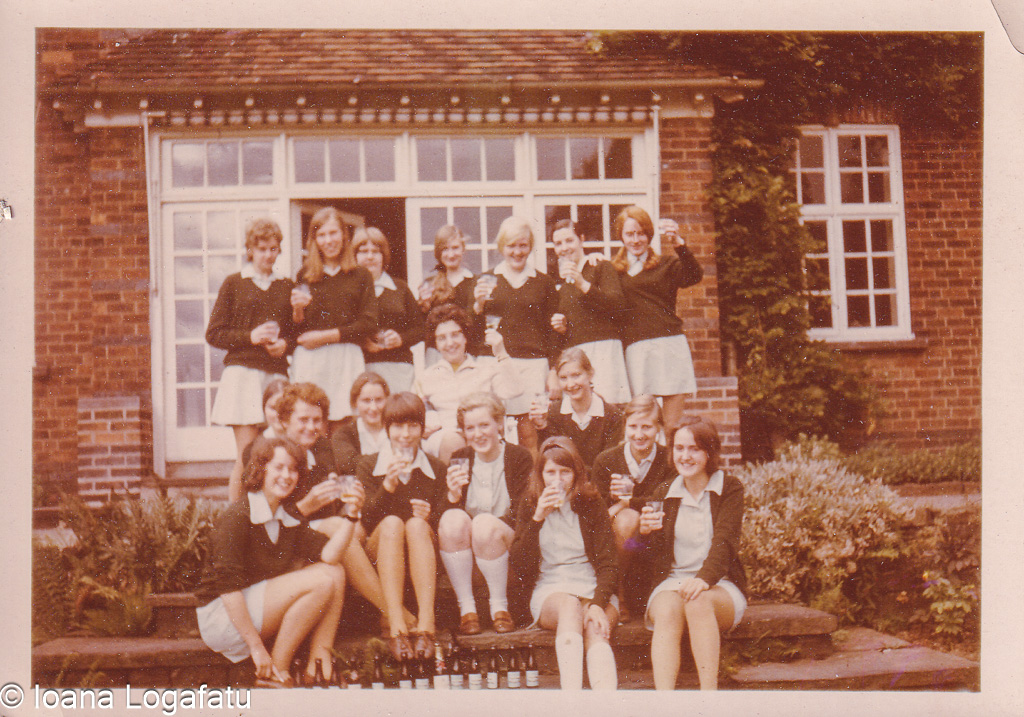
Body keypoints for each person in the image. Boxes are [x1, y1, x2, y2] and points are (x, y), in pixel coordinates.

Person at [195, 436, 362, 687]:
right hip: (223, 618)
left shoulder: (286, 517)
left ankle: (319, 665)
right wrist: (257, 648)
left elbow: (331, 556)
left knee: (334, 571)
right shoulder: (238, 517)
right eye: (279, 467)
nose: (287, 475)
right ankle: (276, 670)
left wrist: (352, 517)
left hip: (253, 608)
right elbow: (228, 591)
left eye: (294, 469)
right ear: (260, 470)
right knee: (322, 581)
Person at [273, 382, 415, 637]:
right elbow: (264, 521)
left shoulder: (322, 447)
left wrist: (352, 506)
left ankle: (390, 617)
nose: (311, 427)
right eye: (303, 419)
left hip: (324, 539)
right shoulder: (269, 454)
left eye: (317, 420)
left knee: (379, 525)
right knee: (340, 528)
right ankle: (395, 614)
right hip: (286, 546)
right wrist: (306, 506)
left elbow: (333, 510)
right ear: (284, 420)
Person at [640, 418, 747, 690]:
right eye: (679, 448)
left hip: (719, 583)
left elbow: (725, 541)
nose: (684, 456)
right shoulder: (664, 492)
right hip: (672, 582)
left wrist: (703, 579)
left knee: (697, 602)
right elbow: (649, 555)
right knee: (666, 611)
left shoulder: (729, 488)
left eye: (694, 449)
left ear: (709, 453)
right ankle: (665, 702)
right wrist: (644, 535)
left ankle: (707, 699)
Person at [508, 437, 619, 690]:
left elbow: (608, 562)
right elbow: (520, 564)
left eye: (565, 472)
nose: (557, 480)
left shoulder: (592, 503)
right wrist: (537, 519)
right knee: (569, 605)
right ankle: (572, 700)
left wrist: (598, 604)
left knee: (595, 627)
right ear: (541, 474)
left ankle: (607, 704)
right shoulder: (530, 503)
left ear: (576, 473)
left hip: (593, 586)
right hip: (551, 589)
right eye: (551, 472)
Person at [206, 217, 294, 503]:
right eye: (263, 249)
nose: (269, 255)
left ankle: (271, 518)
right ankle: (236, 521)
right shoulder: (234, 283)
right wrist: (251, 337)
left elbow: (297, 332)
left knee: (278, 452)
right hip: (243, 375)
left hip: (276, 377)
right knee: (247, 456)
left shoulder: (286, 285)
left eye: (274, 249)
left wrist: (285, 344)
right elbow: (215, 333)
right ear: (250, 251)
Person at [357, 392, 448, 661]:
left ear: (422, 428)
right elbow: (366, 521)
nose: (405, 434)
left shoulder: (436, 468)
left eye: (413, 426)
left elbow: (445, 521)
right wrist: (387, 487)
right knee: (393, 522)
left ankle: (426, 623)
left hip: (422, 552)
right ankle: (397, 624)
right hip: (382, 552)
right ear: (387, 429)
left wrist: (430, 515)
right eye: (398, 426)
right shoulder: (369, 464)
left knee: (417, 526)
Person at [438, 393, 533, 635]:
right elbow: (440, 522)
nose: (478, 434)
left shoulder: (518, 457)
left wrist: (483, 530)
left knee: (483, 524)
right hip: (468, 558)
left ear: (499, 424)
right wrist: (452, 495)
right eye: (470, 428)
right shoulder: (460, 458)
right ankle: (467, 609)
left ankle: (500, 607)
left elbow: (524, 516)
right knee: (451, 519)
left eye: (484, 425)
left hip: (508, 552)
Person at [611, 207, 703, 428]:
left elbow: (694, 275)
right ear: (621, 237)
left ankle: (670, 462)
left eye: (641, 233)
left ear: (649, 235)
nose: (636, 240)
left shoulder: (666, 264)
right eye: (629, 234)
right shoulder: (613, 270)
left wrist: (679, 243)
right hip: (636, 348)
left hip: (669, 344)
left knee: (671, 426)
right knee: (642, 420)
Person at [473, 216, 558, 451]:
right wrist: (478, 305)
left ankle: (531, 488)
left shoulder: (544, 282)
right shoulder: (486, 280)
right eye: (511, 246)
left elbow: (552, 332)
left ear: (530, 246)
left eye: (523, 245)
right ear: (501, 247)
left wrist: (553, 370)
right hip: (494, 363)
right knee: (492, 432)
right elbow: (472, 328)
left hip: (532, 364)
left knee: (528, 434)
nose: (517, 252)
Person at [289, 207, 377, 430]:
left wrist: (327, 336)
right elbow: (297, 330)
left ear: (344, 235)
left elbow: (368, 323)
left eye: (333, 233)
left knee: (345, 427)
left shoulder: (361, 276)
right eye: (322, 235)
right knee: (313, 425)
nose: (328, 241)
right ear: (314, 240)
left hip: (346, 358)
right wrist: (297, 310)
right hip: (314, 361)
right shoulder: (305, 275)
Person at [591, 395, 675, 620]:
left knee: (629, 514)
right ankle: (617, 591)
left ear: (658, 428)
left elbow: (668, 501)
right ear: (624, 426)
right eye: (633, 426)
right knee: (628, 519)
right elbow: (594, 510)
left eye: (647, 427)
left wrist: (627, 502)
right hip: (619, 540)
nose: (639, 435)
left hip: (655, 538)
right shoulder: (606, 460)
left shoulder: (669, 460)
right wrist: (613, 500)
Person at [413, 304, 523, 462]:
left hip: (481, 434)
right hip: (444, 438)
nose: (450, 343)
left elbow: (515, 390)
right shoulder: (426, 377)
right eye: (442, 338)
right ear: (435, 343)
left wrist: (501, 352)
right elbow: (414, 414)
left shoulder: (485, 369)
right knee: (453, 441)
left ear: (465, 337)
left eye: (455, 335)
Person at [549, 219, 631, 403]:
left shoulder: (600, 266)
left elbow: (618, 306)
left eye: (569, 240)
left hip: (604, 351)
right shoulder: (559, 282)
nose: (564, 247)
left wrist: (582, 284)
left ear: (581, 239)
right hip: (575, 355)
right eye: (558, 243)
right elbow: (559, 331)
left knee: (609, 408)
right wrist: (561, 325)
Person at [353, 227, 425, 393]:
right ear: (355, 256)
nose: (370, 257)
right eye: (363, 251)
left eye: (376, 252)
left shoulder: (400, 288)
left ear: (383, 255)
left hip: (398, 368)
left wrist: (401, 339)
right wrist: (362, 341)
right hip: (361, 366)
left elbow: (420, 329)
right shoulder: (350, 290)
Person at [530, 348, 624, 468]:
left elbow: (608, 464)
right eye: (563, 378)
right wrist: (542, 427)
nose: (570, 384)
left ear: (590, 374)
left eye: (576, 375)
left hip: (598, 482)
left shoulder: (613, 415)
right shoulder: (554, 412)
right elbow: (551, 458)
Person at [417, 224, 479, 362]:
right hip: (437, 355)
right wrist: (423, 307)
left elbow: (476, 324)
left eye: (455, 248)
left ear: (463, 249)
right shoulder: (429, 284)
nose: (451, 254)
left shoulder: (475, 282)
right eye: (445, 249)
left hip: (468, 353)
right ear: (438, 253)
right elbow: (421, 329)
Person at [331, 371, 390, 474]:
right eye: (366, 401)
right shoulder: (343, 435)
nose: (373, 408)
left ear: (387, 400)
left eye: (379, 400)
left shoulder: (398, 429)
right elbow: (350, 465)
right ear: (355, 403)